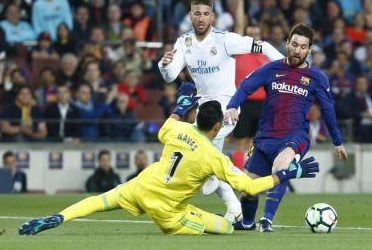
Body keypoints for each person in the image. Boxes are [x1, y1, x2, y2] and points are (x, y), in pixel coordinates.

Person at [18, 82, 319, 236]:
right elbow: (252, 188)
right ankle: (223, 219)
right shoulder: (214, 157)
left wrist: (180, 104)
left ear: (196, 117)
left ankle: (60, 217)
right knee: (227, 228)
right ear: (217, 127)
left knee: (100, 200)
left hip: (141, 185)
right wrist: (287, 174)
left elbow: (169, 123)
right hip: (168, 211)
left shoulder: (176, 127)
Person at [157, 0, 284, 222]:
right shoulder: (183, 43)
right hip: (204, 110)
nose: (201, 18)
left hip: (228, 106)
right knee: (208, 157)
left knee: (203, 152)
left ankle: (214, 181)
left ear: (213, 16)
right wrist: (164, 65)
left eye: (206, 14)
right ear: (190, 15)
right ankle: (234, 207)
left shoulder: (225, 39)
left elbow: (262, 46)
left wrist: (286, 68)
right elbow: (170, 76)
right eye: (197, 13)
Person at [225, 23, 348, 232]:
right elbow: (246, 86)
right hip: (265, 138)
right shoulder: (271, 69)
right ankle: (247, 223)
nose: (297, 50)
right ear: (287, 43)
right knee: (248, 188)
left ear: (309, 49)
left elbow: (328, 110)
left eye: (302, 47)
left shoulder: (317, 77)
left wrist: (337, 141)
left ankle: (266, 220)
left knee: (280, 167)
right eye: (293, 44)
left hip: (295, 136)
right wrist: (232, 106)